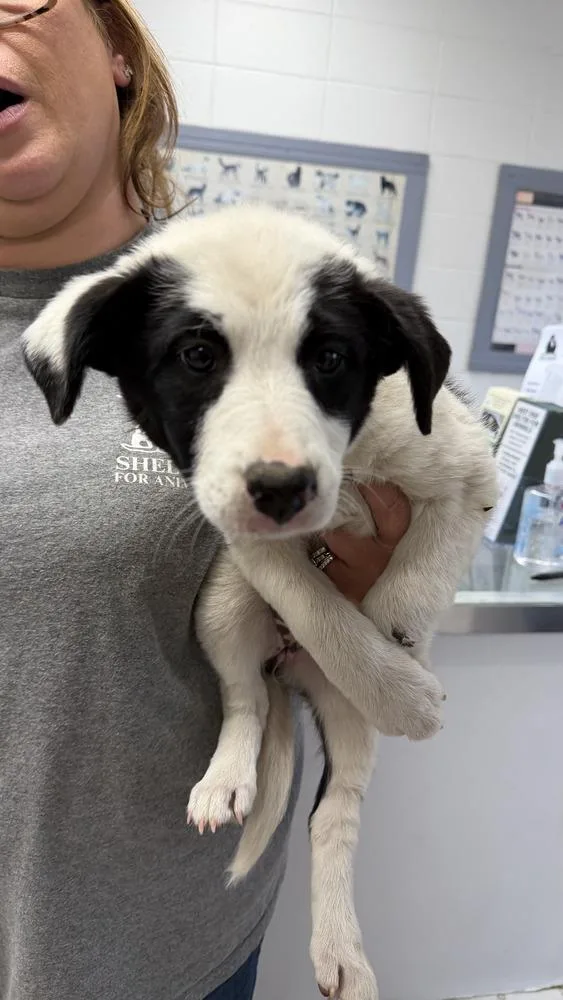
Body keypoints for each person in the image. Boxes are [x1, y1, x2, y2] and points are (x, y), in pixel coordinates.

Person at [0, 2, 411, 997]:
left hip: (151, 945)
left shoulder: (271, 294)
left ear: (117, 53)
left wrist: (371, 593)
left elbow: (381, 616)